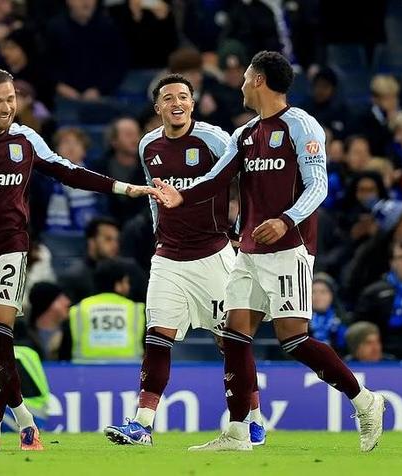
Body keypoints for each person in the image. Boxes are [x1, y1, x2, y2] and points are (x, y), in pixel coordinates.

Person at [0, 68, 154, 451]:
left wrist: (123, 188)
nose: (7, 107)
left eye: (11, 99)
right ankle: (18, 420)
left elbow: (68, 172)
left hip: (11, 246)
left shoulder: (25, 139)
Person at [154, 51, 385, 452]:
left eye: (246, 77)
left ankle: (365, 401)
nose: (241, 85)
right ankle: (238, 432)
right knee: (234, 334)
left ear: (259, 80)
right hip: (249, 251)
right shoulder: (245, 134)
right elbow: (216, 178)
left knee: (293, 339)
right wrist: (181, 196)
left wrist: (286, 220)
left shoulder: (301, 125)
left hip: (289, 248)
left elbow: (318, 185)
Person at [104, 74, 266, 448]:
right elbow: (154, 195)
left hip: (213, 256)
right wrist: (159, 232)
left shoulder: (214, 139)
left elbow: (246, 181)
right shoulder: (148, 145)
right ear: (157, 107)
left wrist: (241, 228)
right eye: (168, 98)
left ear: (192, 103)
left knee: (231, 343)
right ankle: (142, 425)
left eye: (183, 97)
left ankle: (253, 419)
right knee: (157, 338)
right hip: (168, 257)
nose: (176, 103)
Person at [69, 259, 144, 363]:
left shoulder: (78, 309)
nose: (128, 286)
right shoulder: (135, 309)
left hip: (85, 371)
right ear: (118, 285)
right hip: (128, 370)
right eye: (126, 281)